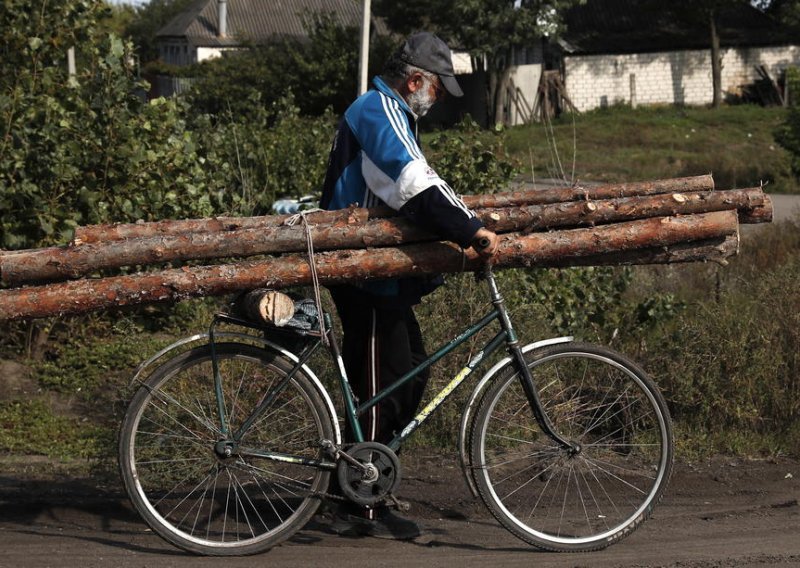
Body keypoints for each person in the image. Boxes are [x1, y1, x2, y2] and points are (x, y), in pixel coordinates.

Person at [319, 32, 499, 539]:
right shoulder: (379, 110)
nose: (437, 99)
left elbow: (416, 183)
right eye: (438, 89)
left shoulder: (389, 112)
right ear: (415, 80)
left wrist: (466, 219)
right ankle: (356, 504)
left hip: (381, 274)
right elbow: (414, 183)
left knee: (410, 375)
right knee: (381, 387)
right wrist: (472, 230)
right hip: (364, 274)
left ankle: (363, 486)